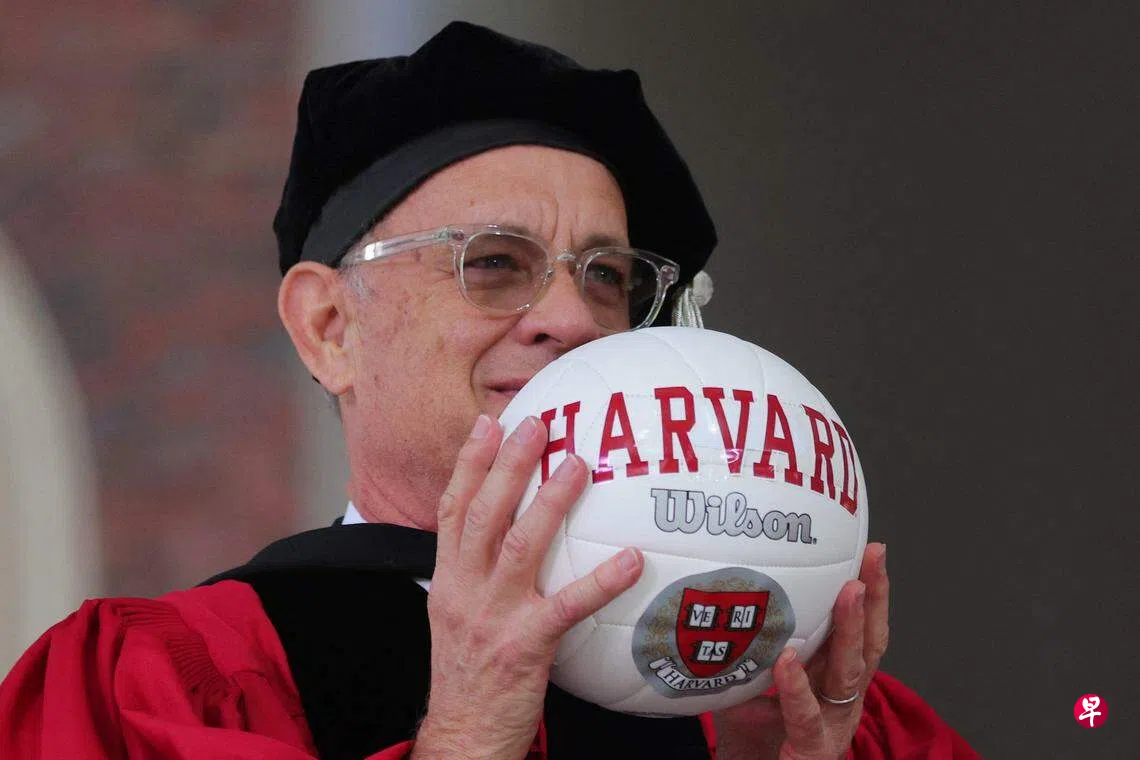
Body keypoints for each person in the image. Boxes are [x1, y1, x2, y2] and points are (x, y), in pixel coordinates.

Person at [0, 21, 978, 759]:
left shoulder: (787, 696)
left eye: (607, 276)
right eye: (496, 262)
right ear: (331, 328)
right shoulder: (166, 684)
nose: (572, 319)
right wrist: (464, 735)